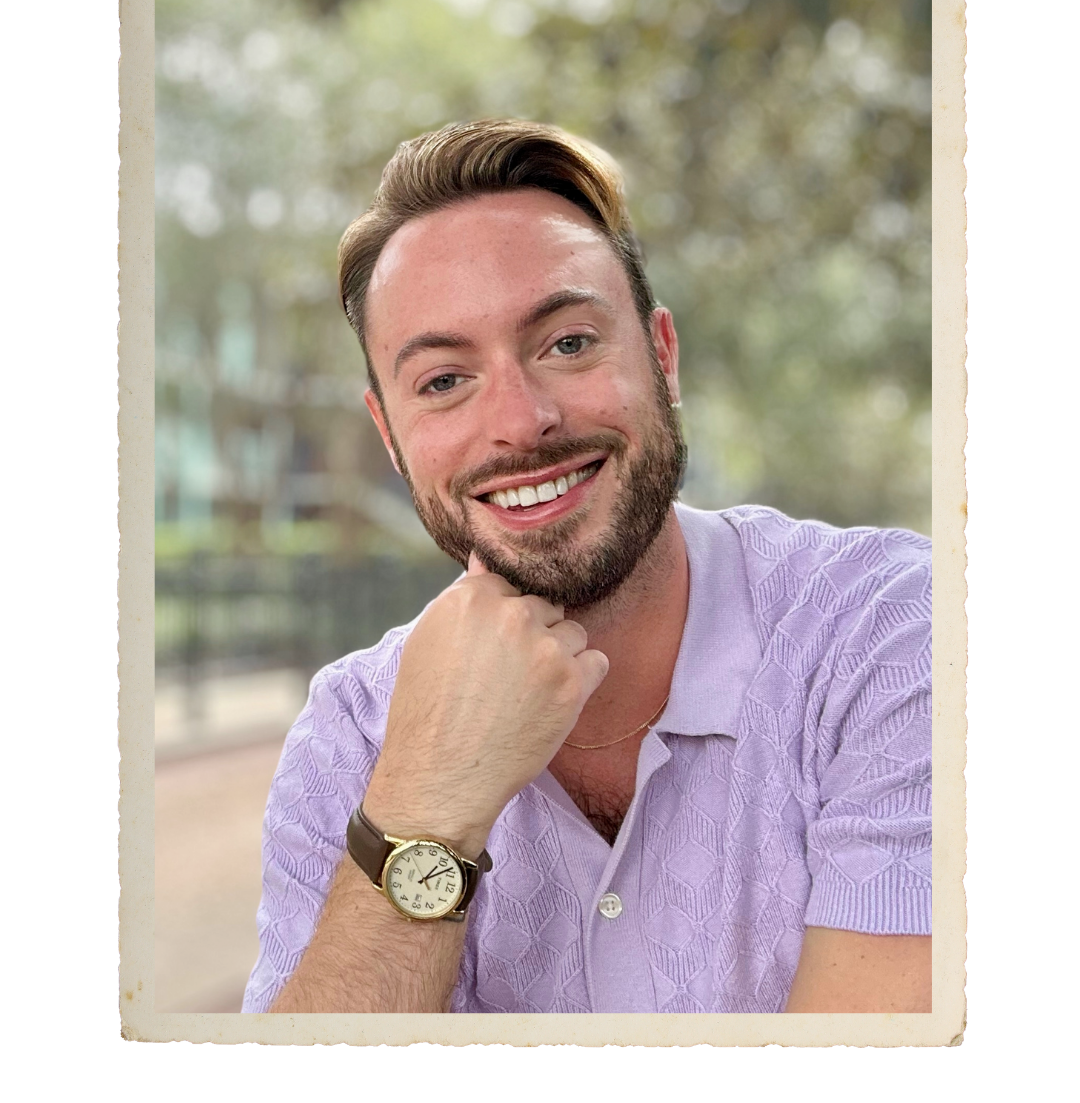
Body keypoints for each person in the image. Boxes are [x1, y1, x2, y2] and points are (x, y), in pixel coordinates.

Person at [242, 119, 931, 1015]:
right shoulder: (351, 737)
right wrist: (424, 806)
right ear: (392, 437)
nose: (522, 422)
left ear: (663, 358)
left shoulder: (889, 634)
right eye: (444, 380)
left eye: (567, 343)